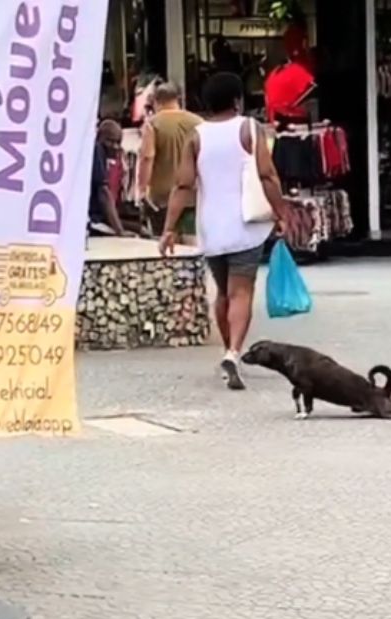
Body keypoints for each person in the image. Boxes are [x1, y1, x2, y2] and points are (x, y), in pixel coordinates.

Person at [159, 72, 288, 390]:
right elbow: (268, 175)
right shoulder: (249, 128)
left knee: (222, 293)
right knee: (241, 291)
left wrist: (169, 228)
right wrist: (281, 212)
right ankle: (233, 352)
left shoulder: (196, 136)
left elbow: (183, 184)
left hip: (212, 226)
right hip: (246, 224)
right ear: (237, 100)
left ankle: (228, 350)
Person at [136, 82, 203, 238]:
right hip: (193, 195)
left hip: (162, 198)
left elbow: (147, 158)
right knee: (192, 242)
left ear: (156, 102)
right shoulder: (198, 122)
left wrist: (142, 189)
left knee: (166, 243)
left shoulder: (152, 124)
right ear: (178, 99)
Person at [88, 121, 135, 238]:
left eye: (118, 142)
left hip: (100, 219)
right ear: (99, 137)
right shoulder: (97, 150)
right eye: (110, 141)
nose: (115, 146)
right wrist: (120, 231)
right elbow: (103, 193)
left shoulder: (103, 157)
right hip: (94, 222)